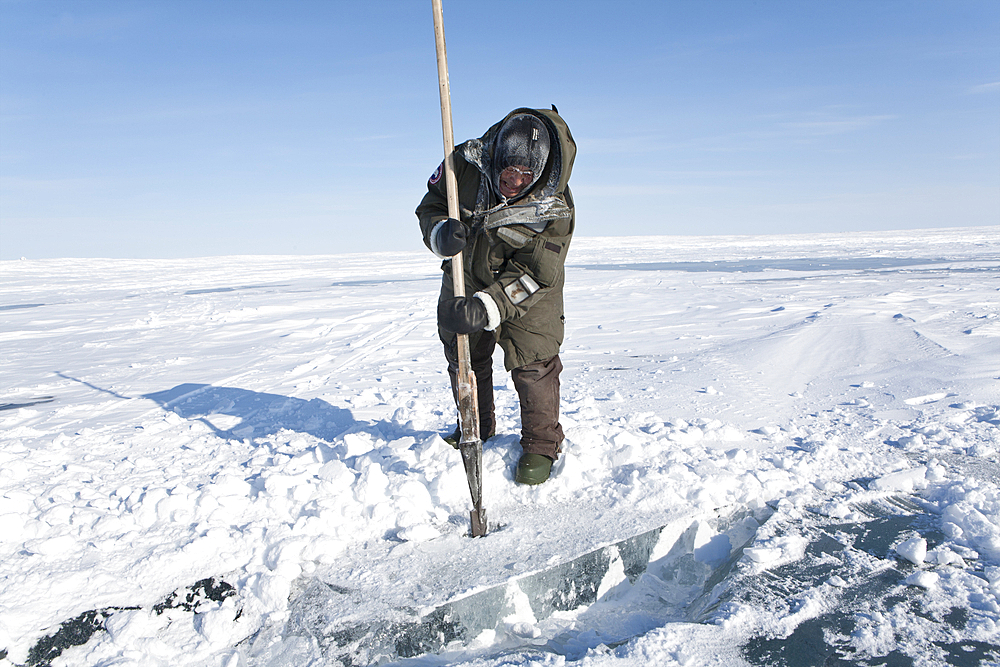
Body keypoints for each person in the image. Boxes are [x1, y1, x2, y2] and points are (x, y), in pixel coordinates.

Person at [416, 106, 576, 485]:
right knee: (463, 351)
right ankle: (476, 425)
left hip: (529, 289)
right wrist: (440, 231)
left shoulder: (555, 206)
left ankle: (541, 444)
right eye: (508, 171)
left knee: (534, 361)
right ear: (497, 158)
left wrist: (489, 306)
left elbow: (537, 273)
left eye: (526, 175)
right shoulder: (465, 164)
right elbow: (431, 204)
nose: (515, 182)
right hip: (465, 272)